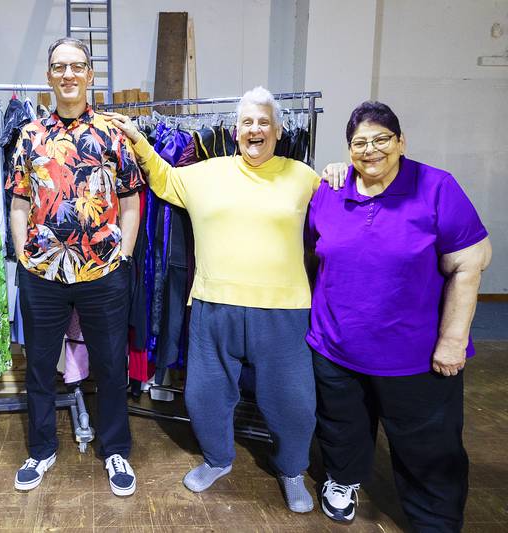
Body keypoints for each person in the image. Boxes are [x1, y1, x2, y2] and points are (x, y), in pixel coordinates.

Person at [108, 86, 319, 512]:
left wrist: (337, 172)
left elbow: (339, 209)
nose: (255, 129)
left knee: (292, 401)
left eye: (264, 122)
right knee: (205, 395)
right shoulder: (207, 173)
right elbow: (164, 178)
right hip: (212, 304)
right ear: (235, 130)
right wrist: (138, 139)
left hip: (283, 311)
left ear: (279, 130)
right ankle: (217, 459)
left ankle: (292, 470)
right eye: (247, 122)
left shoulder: (304, 177)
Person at [306, 101, 491, 530]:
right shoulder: (330, 190)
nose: (370, 150)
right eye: (359, 143)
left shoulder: (436, 187)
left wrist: (453, 340)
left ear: (401, 141)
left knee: (429, 446)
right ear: (348, 149)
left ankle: (435, 520)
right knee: (342, 426)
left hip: (414, 357)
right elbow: (314, 253)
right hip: (336, 348)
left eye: (381, 139)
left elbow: (470, 263)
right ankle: (343, 480)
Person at [7, 37, 144, 496]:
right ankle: (41, 449)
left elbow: (130, 200)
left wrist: (125, 257)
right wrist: (23, 256)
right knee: (39, 366)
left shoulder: (112, 134)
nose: (68, 74)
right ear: (49, 76)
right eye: (59, 67)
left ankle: (115, 449)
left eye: (77, 66)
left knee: (110, 365)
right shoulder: (29, 136)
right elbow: (19, 203)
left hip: (103, 271)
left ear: (90, 74)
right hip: (42, 272)